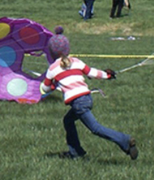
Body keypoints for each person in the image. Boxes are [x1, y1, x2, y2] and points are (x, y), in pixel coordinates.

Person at [39, 27, 137, 160]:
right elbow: (92, 72)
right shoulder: (76, 61)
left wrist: (53, 85)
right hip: (87, 98)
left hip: (78, 103)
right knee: (68, 121)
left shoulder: (52, 69)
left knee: (95, 128)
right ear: (68, 49)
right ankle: (75, 152)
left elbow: (45, 88)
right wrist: (107, 75)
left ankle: (125, 141)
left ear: (51, 53)